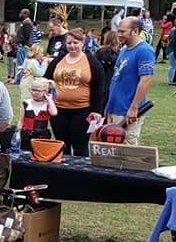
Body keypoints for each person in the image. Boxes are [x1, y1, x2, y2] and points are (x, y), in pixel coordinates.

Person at [42, 28, 106, 156]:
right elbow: (46, 79)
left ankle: (80, 168)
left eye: (75, 43)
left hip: (82, 111)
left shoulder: (91, 62)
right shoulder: (59, 60)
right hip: (58, 111)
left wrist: (97, 110)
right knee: (61, 145)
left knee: (80, 147)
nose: (72, 46)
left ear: (82, 43)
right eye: (69, 43)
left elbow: (99, 87)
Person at [104, 17, 156, 145]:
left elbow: (145, 80)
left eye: (123, 31)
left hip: (127, 110)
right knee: (111, 148)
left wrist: (134, 107)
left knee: (126, 148)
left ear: (135, 31)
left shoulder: (144, 51)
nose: (119, 35)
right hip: (115, 107)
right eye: (118, 31)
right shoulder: (124, 49)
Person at [19, 78, 58, 152]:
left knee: (40, 153)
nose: (34, 93)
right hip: (27, 135)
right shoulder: (26, 103)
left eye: (37, 91)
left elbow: (54, 113)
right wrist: (18, 133)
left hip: (42, 136)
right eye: (32, 90)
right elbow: (21, 121)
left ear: (45, 91)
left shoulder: (47, 104)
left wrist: (49, 99)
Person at [14, 9, 35, 74]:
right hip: (23, 46)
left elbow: (27, 36)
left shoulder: (27, 23)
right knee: (21, 64)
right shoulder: (25, 23)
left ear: (26, 14)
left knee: (22, 65)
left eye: (21, 13)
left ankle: (21, 78)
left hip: (24, 47)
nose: (19, 14)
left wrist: (20, 43)